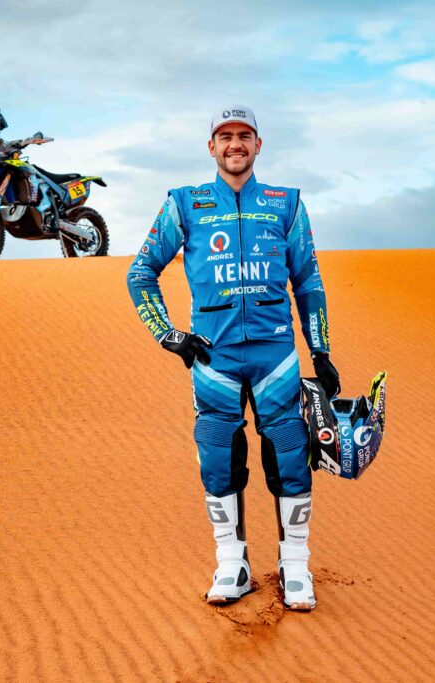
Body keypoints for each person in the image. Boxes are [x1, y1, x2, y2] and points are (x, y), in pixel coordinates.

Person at [126, 106, 339, 611]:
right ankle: (232, 563)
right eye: (225, 137)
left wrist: (321, 350)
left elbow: (308, 282)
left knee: (290, 454)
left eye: (244, 135)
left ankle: (295, 565)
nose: (235, 144)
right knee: (218, 455)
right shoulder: (184, 203)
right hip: (214, 357)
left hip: (276, 356)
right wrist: (168, 335)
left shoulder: (287, 203)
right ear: (211, 147)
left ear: (259, 144)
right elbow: (140, 273)